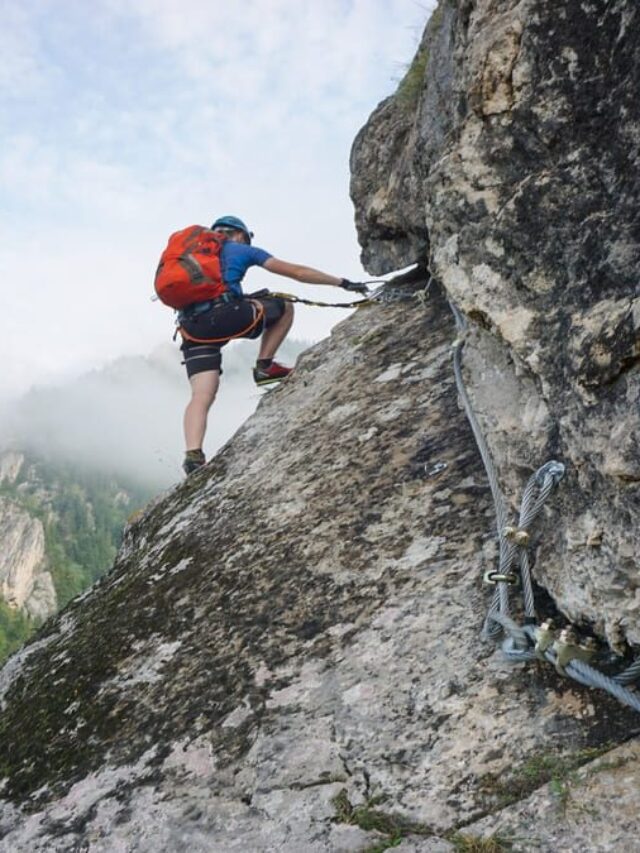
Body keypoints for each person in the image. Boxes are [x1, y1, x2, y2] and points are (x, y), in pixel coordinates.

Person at [177, 216, 367, 475]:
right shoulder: (241, 249)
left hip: (191, 328)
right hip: (226, 316)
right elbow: (297, 273)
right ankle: (264, 366)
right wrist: (342, 282)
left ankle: (193, 455)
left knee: (201, 395)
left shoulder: (191, 257)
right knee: (284, 304)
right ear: (240, 234)